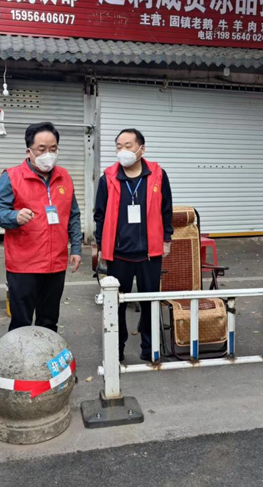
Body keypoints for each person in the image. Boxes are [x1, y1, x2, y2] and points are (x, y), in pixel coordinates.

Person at [0, 122, 82, 332]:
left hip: (55, 263)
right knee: (21, 323)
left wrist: (76, 248)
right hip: (23, 265)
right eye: (42, 149)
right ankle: (19, 354)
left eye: (53, 149)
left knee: (49, 321)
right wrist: (13, 216)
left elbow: (73, 214)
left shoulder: (64, 177)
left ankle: (47, 352)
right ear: (29, 151)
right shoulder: (12, 176)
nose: (48, 154)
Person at [94, 128, 173, 362]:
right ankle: (116, 350)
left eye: (128, 146)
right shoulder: (108, 178)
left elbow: (166, 209)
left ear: (141, 149)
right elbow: (99, 215)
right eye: (119, 146)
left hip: (150, 253)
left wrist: (166, 239)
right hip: (119, 254)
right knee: (116, 305)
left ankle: (150, 349)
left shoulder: (158, 175)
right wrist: (100, 246)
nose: (123, 151)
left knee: (150, 303)